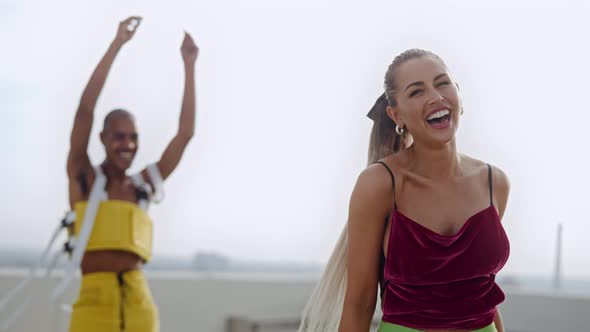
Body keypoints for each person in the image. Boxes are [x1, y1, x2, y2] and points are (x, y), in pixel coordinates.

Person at [298, 49, 510, 332]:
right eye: (416, 92)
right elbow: (359, 303)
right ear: (396, 114)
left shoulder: (494, 182)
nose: (435, 96)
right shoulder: (380, 184)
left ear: (458, 94)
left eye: (442, 83)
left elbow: (483, 294)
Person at [65, 16, 198, 332]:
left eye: (133, 137)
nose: (127, 144)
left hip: (139, 305)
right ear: (102, 139)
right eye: (119, 136)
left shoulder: (144, 184)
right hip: (93, 305)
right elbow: (85, 111)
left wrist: (189, 65)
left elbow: (185, 133)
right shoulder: (83, 177)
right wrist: (116, 45)